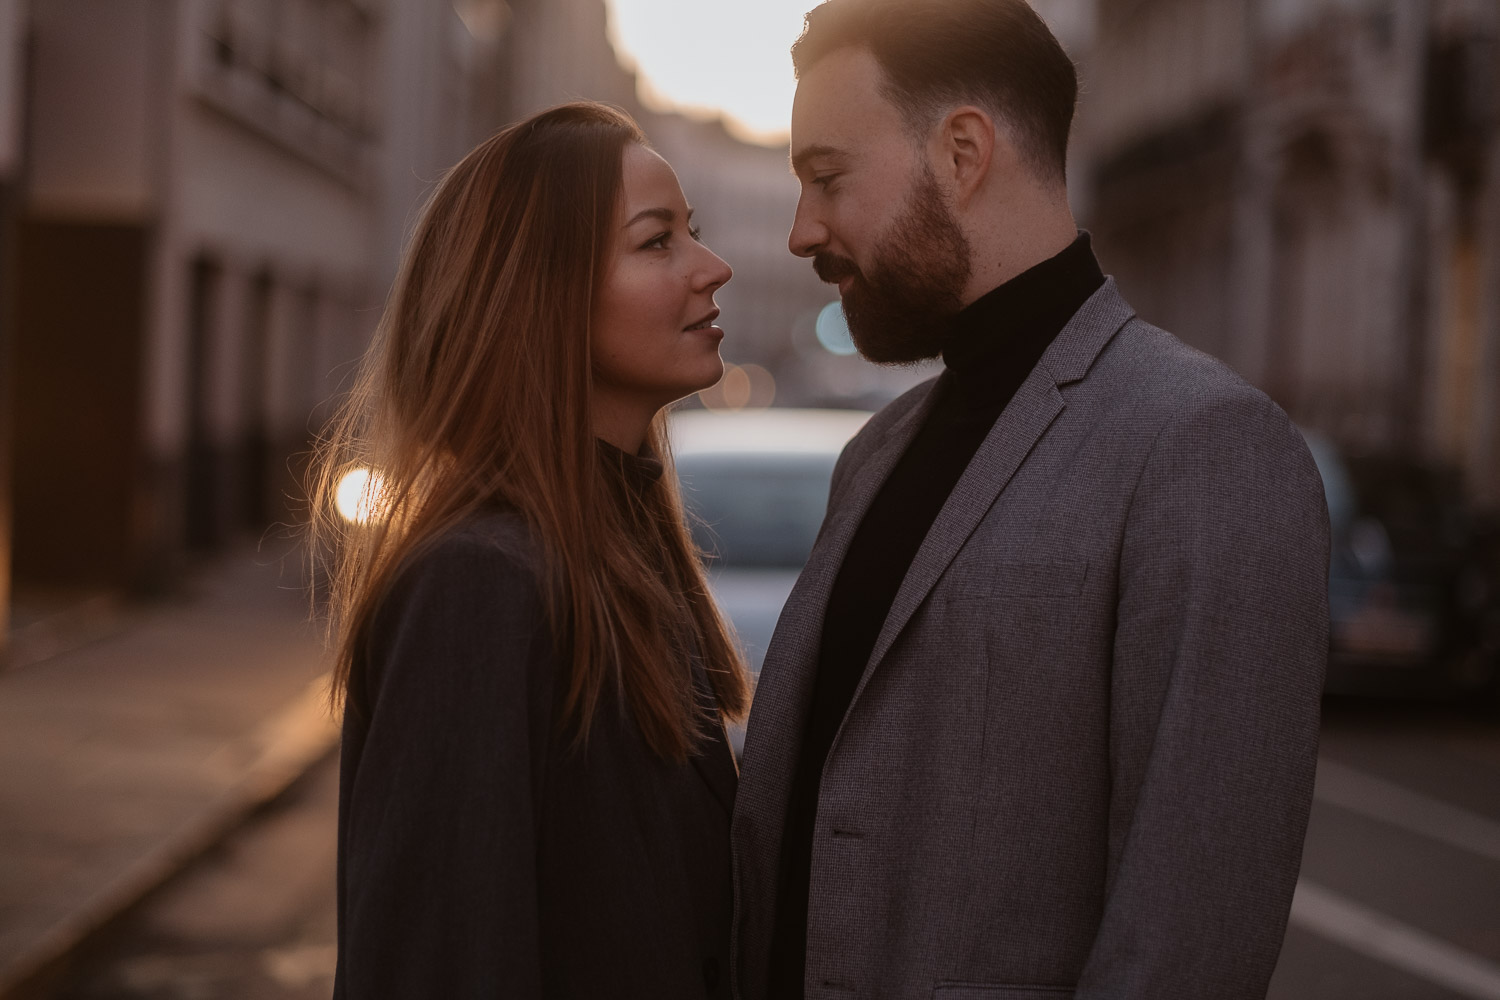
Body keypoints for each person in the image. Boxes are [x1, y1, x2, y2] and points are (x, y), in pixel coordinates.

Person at [730, 2, 1330, 999]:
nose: (803, 232)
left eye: (827, 178)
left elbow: (1188, 945)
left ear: (964, 151)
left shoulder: (1209, 448)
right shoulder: (876, 451)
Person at [307, 102, 748, 998]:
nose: (713, 268)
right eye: (657, 242)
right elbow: (438, 964)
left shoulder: (615, 564)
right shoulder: (480, 582)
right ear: (542, 291)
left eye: (691, 234)